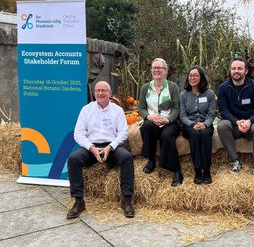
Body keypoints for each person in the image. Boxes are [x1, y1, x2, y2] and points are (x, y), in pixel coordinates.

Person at [67, 81, 134, 219]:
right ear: (94, 93)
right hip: (91, 147)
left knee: (127, 157)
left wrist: (110, 147)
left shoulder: (117, 110)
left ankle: (127, 199)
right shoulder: (86, 109)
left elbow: (123, 133)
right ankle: (79, 201)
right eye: (98, 90)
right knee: (73, 159)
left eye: (104, 90)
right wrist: (91, 148)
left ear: (110, 94)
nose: (100, 93)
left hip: (111, 146)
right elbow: (78, 133)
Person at [217, 58, 254, 177]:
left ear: (246, 71)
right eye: (233, 68)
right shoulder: (223, 88)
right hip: (234, 125)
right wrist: (236, 122)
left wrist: (250, 121)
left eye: (240, 68)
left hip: (252, 124)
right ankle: (235, 161)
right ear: (230, 71)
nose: (236, 71)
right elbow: (223, 110)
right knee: (222, 125)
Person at [138, 58, 183, 187]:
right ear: (151, 70)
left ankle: (176, 171)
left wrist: (168, 119)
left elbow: (176, 108)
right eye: (154, 68)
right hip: (152, 121)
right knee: (146, 126)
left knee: (166, 135)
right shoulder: (145, 88)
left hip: (170, 121)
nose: (156, 70)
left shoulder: (172, 87)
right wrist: (148, 117)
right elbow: (141, 107)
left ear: (165, 71)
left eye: (160, 68)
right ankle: (151, 160)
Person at [180, 67, 216, 184]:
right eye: (190, 75)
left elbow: (211, 114)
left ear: (201, 77)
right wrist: (192, 124)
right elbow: (182, 115)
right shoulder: (183, 95)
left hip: (206, 124)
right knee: (195, 135)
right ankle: (197, 170)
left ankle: (206, 170)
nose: (192, 78)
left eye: (196, 75)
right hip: (189, 125)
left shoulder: (210, 94)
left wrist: (205, 124)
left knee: (205, 134)